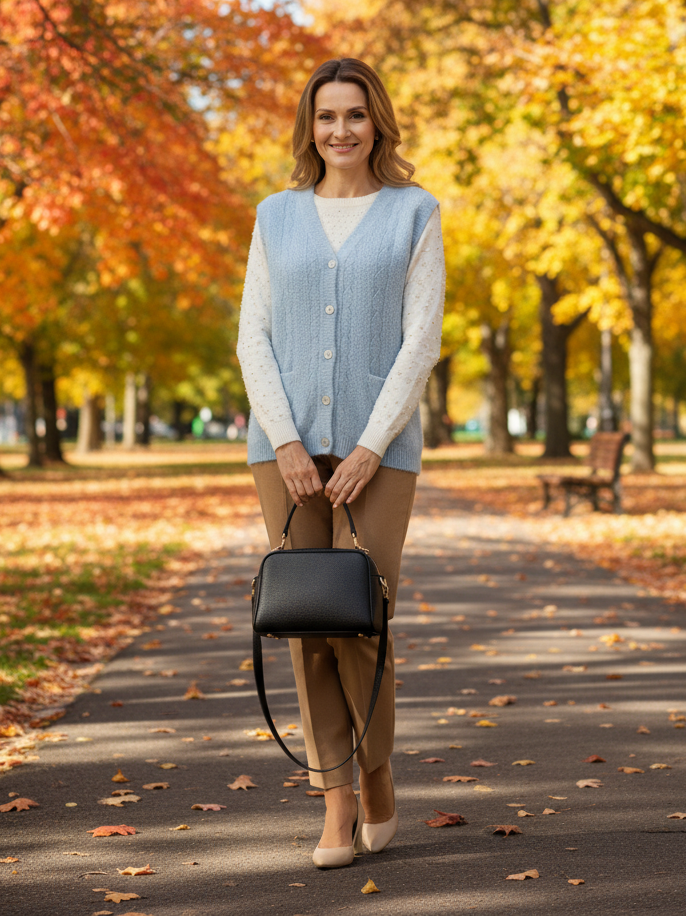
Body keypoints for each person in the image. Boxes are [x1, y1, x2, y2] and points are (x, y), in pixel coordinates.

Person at [237, 57, 445, 868]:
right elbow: (253, 334)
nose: (341, 130)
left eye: (355, 115)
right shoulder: (274, 214)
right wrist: (286, 440)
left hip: (379, 452)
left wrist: (367, 446)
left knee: (363, 619)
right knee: (306, 624)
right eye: (327, 116)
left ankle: (379, 770)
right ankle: (335, 800)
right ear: (309, 127)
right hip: (281, 449)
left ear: (377, 123)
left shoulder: (413, 213)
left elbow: (419, 341)